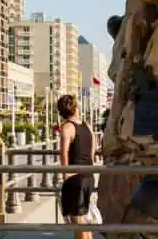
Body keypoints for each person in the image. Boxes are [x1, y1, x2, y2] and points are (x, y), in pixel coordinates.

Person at [56, 94, 95, 239]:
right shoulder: (87, 126)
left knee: (78, 220)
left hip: (75, 177)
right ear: (75, 108)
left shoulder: (67, 128)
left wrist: (65, 174)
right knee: (83, 218)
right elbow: (92, 150)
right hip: (89, 175)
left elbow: (64, 153)